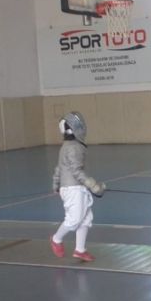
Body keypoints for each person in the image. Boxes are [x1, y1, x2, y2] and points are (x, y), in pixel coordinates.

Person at [50, 111, 105, 262]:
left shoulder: (68, 146)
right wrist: (93, 185)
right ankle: (56, 239)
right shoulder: (73, 147)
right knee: (74, 219)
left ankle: (80, 250)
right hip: (73, 188)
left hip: (75, 187)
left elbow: (59, 167)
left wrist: (56, 184)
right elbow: (76, 171)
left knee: (85, 218)